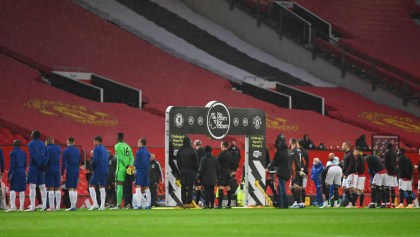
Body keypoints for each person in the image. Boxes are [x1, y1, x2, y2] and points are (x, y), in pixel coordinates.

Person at [26, 130, 49, 211]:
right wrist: (43, 164)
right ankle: (44, 206)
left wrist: (39, 164)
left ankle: (32, 206)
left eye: (31, 133)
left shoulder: (30, 144)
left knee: (32, 187)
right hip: (41, 167)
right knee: (42, 186)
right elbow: (47, 155)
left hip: (34, 167)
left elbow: (33, 155)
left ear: (33, 135)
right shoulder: (43, 144)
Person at [113, 132, 134, 210]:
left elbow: (120, 158)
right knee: (128, 186)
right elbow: (132, 158)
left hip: (121, 168)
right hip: (129, 168)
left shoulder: (117, 146)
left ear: (117, 138)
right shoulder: (128, 146)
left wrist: (125, 166)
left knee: (119, 185)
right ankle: (129, 204)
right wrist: (130, 166)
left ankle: (118, 205)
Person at [177, 136, 199, 208]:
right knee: (190, 187)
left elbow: (178, 162)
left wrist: (181, 169)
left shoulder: (180, 151)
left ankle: (184, 203)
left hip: (182, 170)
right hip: (191, 171)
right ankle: (189, 203)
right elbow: (196, 163)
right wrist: (195, 170)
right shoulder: (193, 151)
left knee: (183, 187)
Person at [5, 140, 26, 212]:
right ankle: (21, 207)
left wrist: (9, 175)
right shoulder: (23, 153)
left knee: (12, 189)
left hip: (16, 172)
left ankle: (13, 207)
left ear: (13, 145)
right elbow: (25, 164)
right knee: (22, 190)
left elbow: (12, 165)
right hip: (23, 172)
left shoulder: (12, 153)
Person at [89, 136, 109, 211]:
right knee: (102, 186)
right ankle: (102, 205)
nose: (94, 143)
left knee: (91, 185)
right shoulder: (105, 149)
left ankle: (95, 204)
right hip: (106, 169)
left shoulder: (96, 149)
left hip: (99, 169)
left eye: (94, 141)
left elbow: (95, 160)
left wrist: (93, 169)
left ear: (97, 141)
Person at [61, 137, 81, 211]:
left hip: (70, 170)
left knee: (70, 188)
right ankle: (74, 205)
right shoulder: (78, 150)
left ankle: (72, 206)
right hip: (77, 170)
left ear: (68, 141)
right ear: (74, 142)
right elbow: (79, 161)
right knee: (75, 188)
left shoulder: (66, 150)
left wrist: (62, 173)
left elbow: (63, 163)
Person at [271, 134, 290, 209]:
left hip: (281, 172)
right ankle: (280, 203)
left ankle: (284, 205)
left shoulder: (279, 152)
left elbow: (275, 162)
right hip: (287, 172)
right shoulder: (287, 151)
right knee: (280, 188)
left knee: (282, 189)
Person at [133, 138, 152, 210]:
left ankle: (139, 205)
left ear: (140, 143)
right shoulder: (147, 152)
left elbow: (136, 163)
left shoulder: (139, 152)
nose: (137, 144)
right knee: (147, 187)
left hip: (140, 171)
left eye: (138, 143)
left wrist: (132, 170)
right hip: (146, 171)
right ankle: (148, 204)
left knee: (138, 187)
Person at [45, 138, 62, 211]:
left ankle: (52, 207)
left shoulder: (47, 149)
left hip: (49, 169)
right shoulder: (58, 148)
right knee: (57, 188)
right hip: (57, 169)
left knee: (50, 188)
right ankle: (58, 207)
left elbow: (46, 159)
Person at [216, 141, 234, 209]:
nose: (220, 146)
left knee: (220, 187)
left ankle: (220, 205)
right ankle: (229, 204)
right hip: (228, 172)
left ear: (223, 146)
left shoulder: (220, 154)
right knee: (228, 187)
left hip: (221, 172)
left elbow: (217, 164)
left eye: (221, 145)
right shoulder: (230, 154)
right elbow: (232, 163)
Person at [341, 141, 358, 208]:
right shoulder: (346, 154)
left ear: (347, 146)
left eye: (343, 145)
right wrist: (343, 172)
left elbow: (351, 165)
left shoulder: (350, 154)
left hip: (351, 173)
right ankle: (352, 203)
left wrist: (346, 174)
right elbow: (345, 165)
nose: (342, 146)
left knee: (351, 189)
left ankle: (352, 203)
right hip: (347, 174)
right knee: (344, 188)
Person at [289, 138, 304, 208]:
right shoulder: (300, 150)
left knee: (293, 187)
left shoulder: (293, 151)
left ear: (291, 142)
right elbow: (303, 161)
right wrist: (301, 169)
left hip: (295, 170)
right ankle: (299, 202)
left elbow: (293, 161)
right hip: (300, 170)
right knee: (297, 187)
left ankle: (298, 202)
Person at [384, 143, 398, 207]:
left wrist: (385, 170)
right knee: (392, 188)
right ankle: (393, 203)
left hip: (388, 172)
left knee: (387, 188)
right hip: (394, 173)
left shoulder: (387, 153)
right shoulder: (395, 153)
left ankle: (387, 203)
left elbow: (386, 163)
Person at [297, 139, 309, 206]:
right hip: (306, 171)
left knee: (298, 187)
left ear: (298, 144)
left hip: (300, 171)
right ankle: (304, 203)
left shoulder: (298, 151)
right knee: (303, 188)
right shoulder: (306, 152)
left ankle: (299, 202)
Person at [194, 140, 205, 206]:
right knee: (204, 188)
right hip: (204, 172)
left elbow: (194, 164)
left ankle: (197, 203)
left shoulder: (195, 152)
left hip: (197, 172)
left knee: (198, 188)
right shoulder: (204, 152)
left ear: (195, 145)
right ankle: (207, 203)